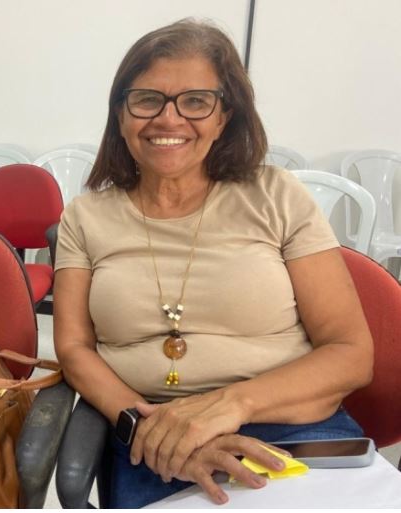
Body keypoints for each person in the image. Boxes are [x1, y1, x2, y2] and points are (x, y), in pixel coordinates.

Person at [53, 19, 373, 507]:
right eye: (146, 100)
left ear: (224, 116)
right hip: (156, 437)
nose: (169, 119)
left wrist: (228, 405)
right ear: (120, 115)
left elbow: (351, 352)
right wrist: (144, 426)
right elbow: (74, 349)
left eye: (196, 101)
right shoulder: (84, 216)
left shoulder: (277, 196)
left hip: (292, 428)